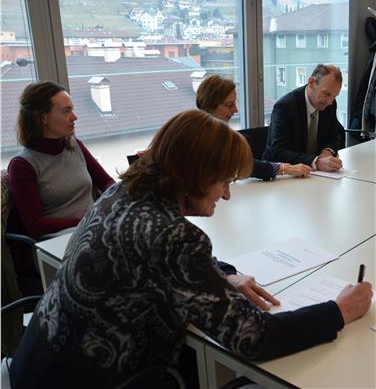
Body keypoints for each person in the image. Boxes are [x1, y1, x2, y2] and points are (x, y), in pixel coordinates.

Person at [10, 109, 372, 389]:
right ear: (196, 174)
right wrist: (338, 311)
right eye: (223, 181)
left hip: (38, 365)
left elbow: (154, 262)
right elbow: (253, 337)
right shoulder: (175, 236)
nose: (227, 194)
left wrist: (222, 276)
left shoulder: (121, 193)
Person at [7, 81, 116, 239]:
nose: (74, 117)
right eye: (66, 111)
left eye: (72, 109)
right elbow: (35, 226)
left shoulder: (75, 145)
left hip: (93, 228)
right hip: (60, 239)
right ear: (42, 117)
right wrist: (86, 221)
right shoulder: (23, 165)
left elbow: (106, 182)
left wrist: (118, 200)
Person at [196, 74, 311, 181]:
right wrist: (281, 168)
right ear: (210, 106)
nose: (235, 110)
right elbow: (240, 164)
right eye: (229, 105)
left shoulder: (218, 132)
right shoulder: (200, 136)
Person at [263, 64, 345, 172]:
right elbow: (278, 152)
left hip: (314, 174)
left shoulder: (329, 103)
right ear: (311, 83)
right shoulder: (285, 106)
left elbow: (333, 136)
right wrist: (316, 161)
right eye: (326, 94)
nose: (330, 101)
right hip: (283, 175)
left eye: (334, 96)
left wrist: (327, 151)